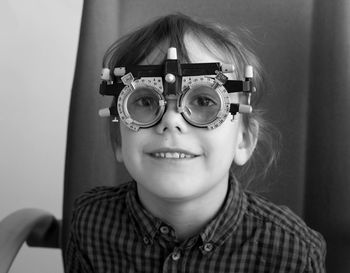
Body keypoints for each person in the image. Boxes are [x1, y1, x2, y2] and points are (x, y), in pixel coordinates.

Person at [65, 13, 326, 272]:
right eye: (145, 101)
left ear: (244, 140)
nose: (171, 120)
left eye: (204, 101)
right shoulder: (91, 223)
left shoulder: (291, 253)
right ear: (118, 141)